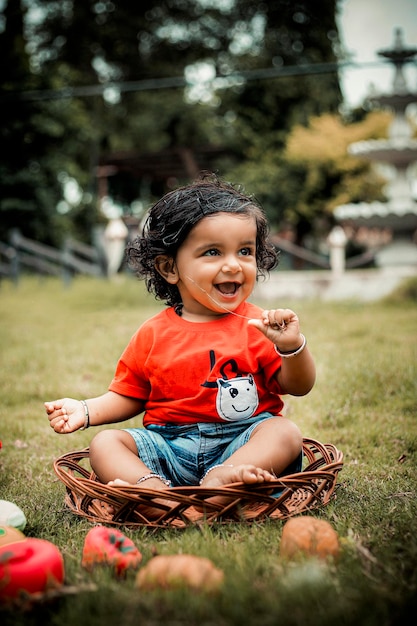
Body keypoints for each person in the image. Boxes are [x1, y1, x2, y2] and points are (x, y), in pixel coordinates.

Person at [45, 175, 315, 499]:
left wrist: (291, 347)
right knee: (105, 444)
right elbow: (131, 395)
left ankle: (222, 481)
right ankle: (155, 492)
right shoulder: (153, 334)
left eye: (245, 251)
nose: (233, 265)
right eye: (213, 252)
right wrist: (86, 410)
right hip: (169, 449)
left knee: (284, 431)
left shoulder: (259, 324)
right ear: (169, 268)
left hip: (242, 444)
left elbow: (298, 386)